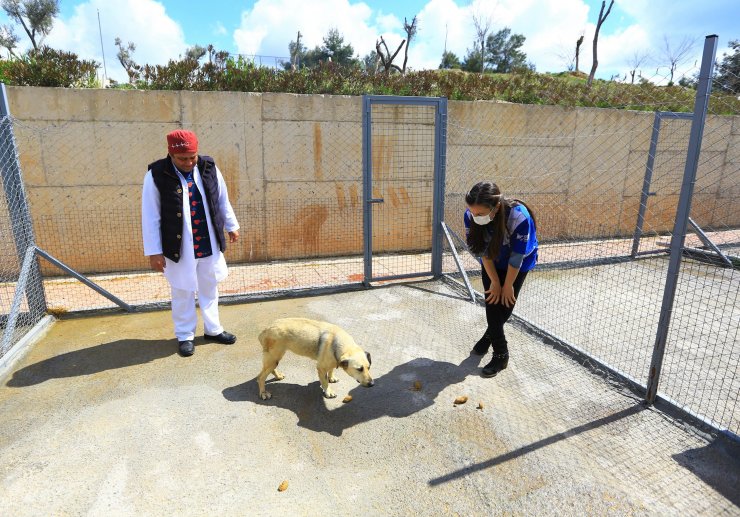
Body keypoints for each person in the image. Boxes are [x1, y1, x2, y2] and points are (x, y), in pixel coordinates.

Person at [142, 129, 240, 357]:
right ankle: (185, 336)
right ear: (171, 154)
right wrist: (154, 251)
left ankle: (213, 330)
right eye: (182, 158)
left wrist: (231, 225)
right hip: (179, 246)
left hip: (207, 240)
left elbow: (221, 197)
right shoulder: (156, 174)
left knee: (210, 286)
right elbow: (150, 215)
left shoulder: (209, 167)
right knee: (182, 290)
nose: (188, 162)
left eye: (192, 157)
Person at [464, 181, 538, 377]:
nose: (475, 217)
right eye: (472, 212)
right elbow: (483, 252)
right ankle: (501, 354)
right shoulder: (471, 216)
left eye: (480, 214)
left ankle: (489, 336)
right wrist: (496, 282)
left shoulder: (519, 216)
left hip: (518, 262)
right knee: (492, 303)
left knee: (505, 305)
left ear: (496, 207)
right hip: (492, 261)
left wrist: (507, 285)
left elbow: (517, 256)